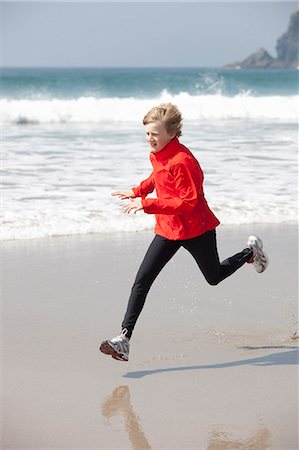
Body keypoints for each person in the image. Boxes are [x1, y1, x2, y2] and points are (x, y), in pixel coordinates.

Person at [99, 103, 269, 362]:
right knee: (142, 280)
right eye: (147, 133)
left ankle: (250, 252)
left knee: (214, 277)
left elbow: (187, 203)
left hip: (196, 229)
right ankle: (124, 338)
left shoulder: (184, 161)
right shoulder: (157, 153)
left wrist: (146, 204)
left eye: (154, 134)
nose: (149, 139)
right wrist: (138, 191)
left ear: (172, 132)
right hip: (168, 229)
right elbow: (157, 177)